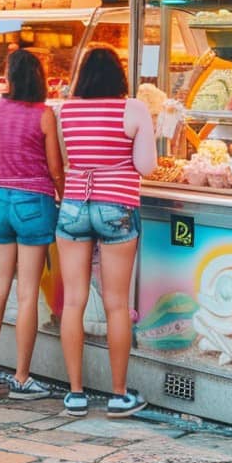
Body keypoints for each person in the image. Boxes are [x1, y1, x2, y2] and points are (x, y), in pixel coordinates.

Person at [55, 46, 155, 418]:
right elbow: (146, 166)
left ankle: (76, 393)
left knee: (74, 301)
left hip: (73, 207)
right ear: (120, 75)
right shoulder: (133, 108)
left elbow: (65, 160)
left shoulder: (65, 109)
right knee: (116, 303)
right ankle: (117, 394)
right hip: (117, 207)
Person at [0, 51, 64, 400]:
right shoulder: (44, 115)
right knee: (26, 295)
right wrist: (64, 196)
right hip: (34, 203)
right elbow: (55, 168)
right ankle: (22, 378)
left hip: (1, 200)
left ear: (10, 77)